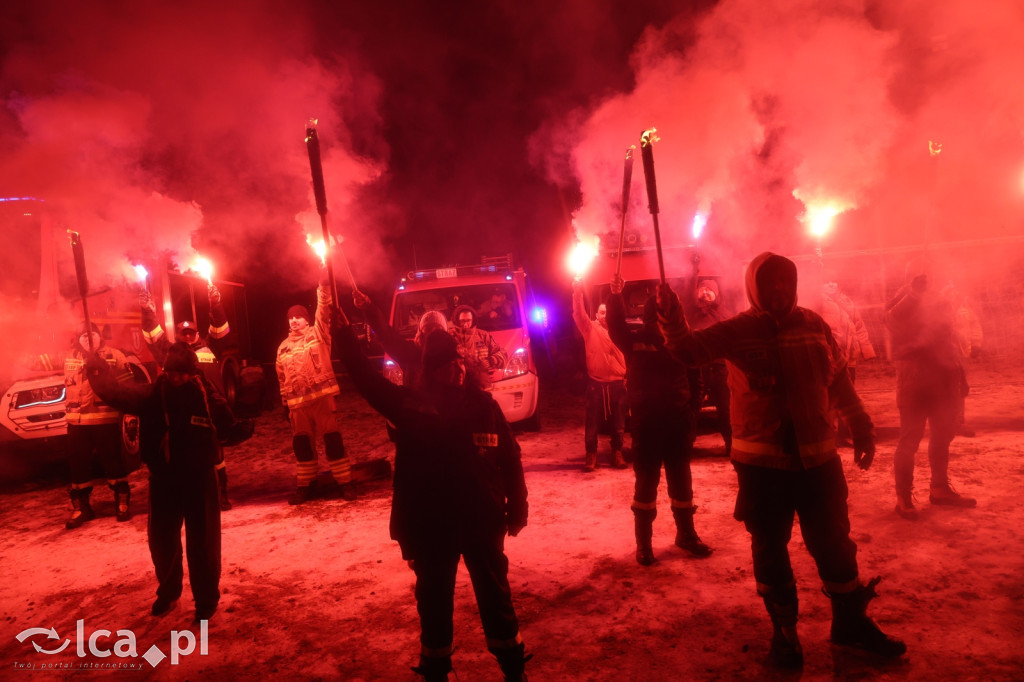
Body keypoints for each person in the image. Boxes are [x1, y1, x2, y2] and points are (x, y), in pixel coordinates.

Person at [657, 252, 905, 668]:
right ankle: (785, 636)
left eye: (784, 281)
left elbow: (839, 378)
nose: (777, 289)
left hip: (820, 463)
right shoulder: (739, 330)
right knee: (771, 550)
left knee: (836, 547)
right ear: (754, 287)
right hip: (763, 470)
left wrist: (861, 425)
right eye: (768, 283)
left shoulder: (813, 324)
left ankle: (849, 625)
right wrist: (671, 317)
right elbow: (687, 350)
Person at [336, 318, 530, 682]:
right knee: (434, 604)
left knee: (496, 599)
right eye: (446, 364)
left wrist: (518, 505)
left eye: (459, 362)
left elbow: (510, 457)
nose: (456, 369)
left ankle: (514, 668)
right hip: (432, 525)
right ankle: (436, 670)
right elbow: (366, 380)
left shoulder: (484, 406)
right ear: (431, 370)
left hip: (481, 520)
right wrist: (344, 338)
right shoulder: (411, 408)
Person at [86, 342, 238, 623]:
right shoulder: (154, 395)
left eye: (181, 373)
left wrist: (237, 430)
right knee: (162, 542)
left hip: (199, 478)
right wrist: (98, 372)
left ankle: (206, 599)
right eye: (171, 373)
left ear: (192, 373)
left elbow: (226, 422)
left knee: (202, 543)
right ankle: (168, 593)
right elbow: (119, 394)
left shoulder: (205, 394)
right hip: (164, 480)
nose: (175, 378)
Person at [607, 275, 711, 566]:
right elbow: (615, 326)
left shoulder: (682, 342)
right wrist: (615, 296)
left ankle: (686, 535)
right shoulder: (636, 340)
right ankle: (644, 544)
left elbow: (696, 376)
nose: (658, 320)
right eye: (657, 314)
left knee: (682, 483)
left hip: (677, 421)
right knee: (646, 486)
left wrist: (692, 412)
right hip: (648, 422)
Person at [886, 259, 976, 519]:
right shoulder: (900, 300)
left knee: (942, 437)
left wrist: (960, 375)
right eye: (922, 277)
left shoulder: (940, 301)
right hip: (914, 383)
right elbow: (891, 319)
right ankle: (903, 496)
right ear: (910, 279)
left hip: (943, 381)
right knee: (909, 440)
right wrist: (914, 294)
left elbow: (949, 341)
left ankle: (939, 489)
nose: (929, 280)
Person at [142, 283, 234, 509]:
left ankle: (221, 493)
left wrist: (216, 305)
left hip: (207, 408)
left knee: (214, 451)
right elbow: (153, 336)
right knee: (185, 453)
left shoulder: (209, 347)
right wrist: (148, 313)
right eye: (183, 333)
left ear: (197, 334)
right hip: (180, 413)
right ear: (177, 335)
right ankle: (188, 494)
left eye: (190, 333)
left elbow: (221, 330)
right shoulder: (169, 352)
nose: (187, 336)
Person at [276, 271, 354, 504]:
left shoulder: (319, 333)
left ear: (307, 319)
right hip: (298, 407)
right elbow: (281, 377)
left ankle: (345, 484)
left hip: (322, 400)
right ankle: (306, 486)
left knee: (332, 441)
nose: (294, 321)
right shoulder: (282, 347)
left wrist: (323, 285)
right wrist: (284, 404)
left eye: (298, 317)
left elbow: (324, 309)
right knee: (301, 446)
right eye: (291, 318)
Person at [63, 323, 137, 529]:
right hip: (76, 422)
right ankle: (82, 507)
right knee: (78, 465)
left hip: (105, 419)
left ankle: (121, 502)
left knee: (113, 462)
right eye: (83, 335)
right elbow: (39, 361)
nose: (88, 338)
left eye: (92, 334)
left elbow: (128, 384)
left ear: (99, 336)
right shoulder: (69, 356)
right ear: (78, 339)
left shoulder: (114, 355)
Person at [571, 281, 627, 471]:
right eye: (602, 312)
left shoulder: (620, 330)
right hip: (596, 385)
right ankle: (591, 455)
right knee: (592, 422)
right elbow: (579, 314)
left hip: (618, 384)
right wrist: (577, 292)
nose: (605, 315)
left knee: (619, 423)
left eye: (607, 312)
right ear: (596, 314)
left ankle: (617, 453)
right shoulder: (590, 329)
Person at [819, 279, 877, 445]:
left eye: (833, 282)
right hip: (831, 359)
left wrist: (866, 349)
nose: (831, 284)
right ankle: (830, 434)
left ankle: (844, 434)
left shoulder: (847, 302)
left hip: (849, 358)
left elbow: (859, 326)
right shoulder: (819, 303)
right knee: (830, 397)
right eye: (826, 282)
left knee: (848, 395)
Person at [688, 278, 732, 456]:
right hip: (699, 369)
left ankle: (731, 444)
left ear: (717, 294)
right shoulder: (692, 314)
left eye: (709, 290)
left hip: (721, 369)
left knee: (726, 409)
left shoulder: (725, 314)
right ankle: (686, 445)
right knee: (692, 409)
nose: (705, 292)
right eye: (702, 289)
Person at [450, 305, 507, 382]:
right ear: (456, 320)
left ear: (473, 320)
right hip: (458, 384)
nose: (466, 324)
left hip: (481, 383)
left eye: (468, 320)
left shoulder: (483, 336)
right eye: (462, 321)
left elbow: (503, 355)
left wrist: (490, 361)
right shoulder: (450, 337)